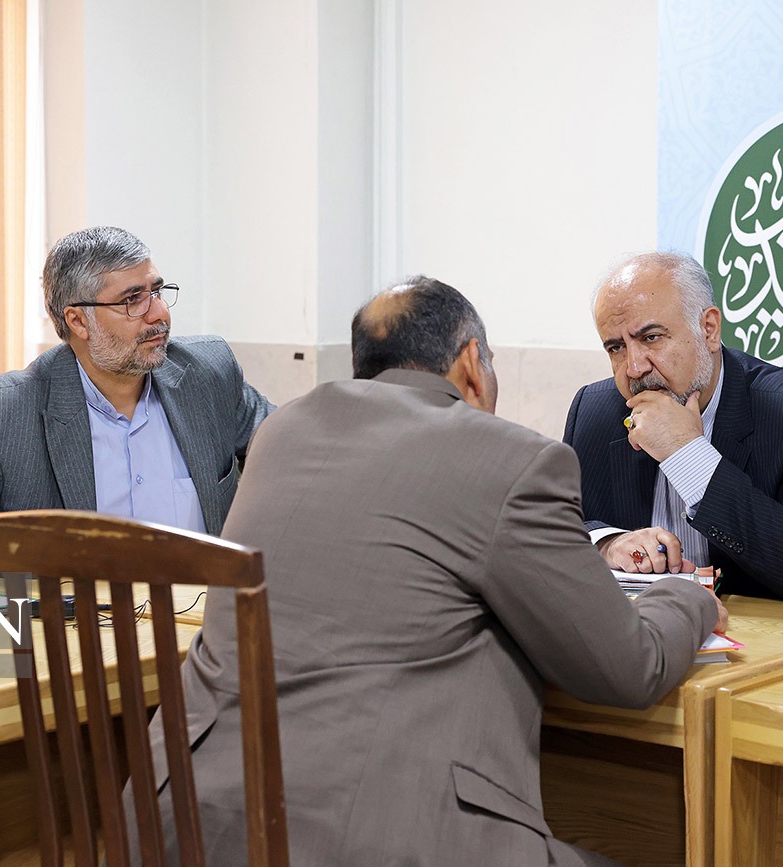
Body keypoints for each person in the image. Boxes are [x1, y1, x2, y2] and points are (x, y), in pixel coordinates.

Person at [138, 277, 724, 866]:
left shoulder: (282, 431)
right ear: (472, 363)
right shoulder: (511, 457)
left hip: (176, 824)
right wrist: (685, 594)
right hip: (370, 838)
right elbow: (628, 668)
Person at [0, 226, 272, 573]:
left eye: (156, 291)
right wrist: (33, 551)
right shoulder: (4, 414)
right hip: (86, 626)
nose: (159, 314)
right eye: (133, 300)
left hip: (205, 622)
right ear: (78, 321)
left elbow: (292, 456)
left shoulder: (207, 376)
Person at [563, 251, 783, 607]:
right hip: (653, 630)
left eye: (651, 338)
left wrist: (687, 455)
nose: (634, 368)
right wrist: (606, 543)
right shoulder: (595, 410)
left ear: (709, 329)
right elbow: (555, 528)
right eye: (616, 348)